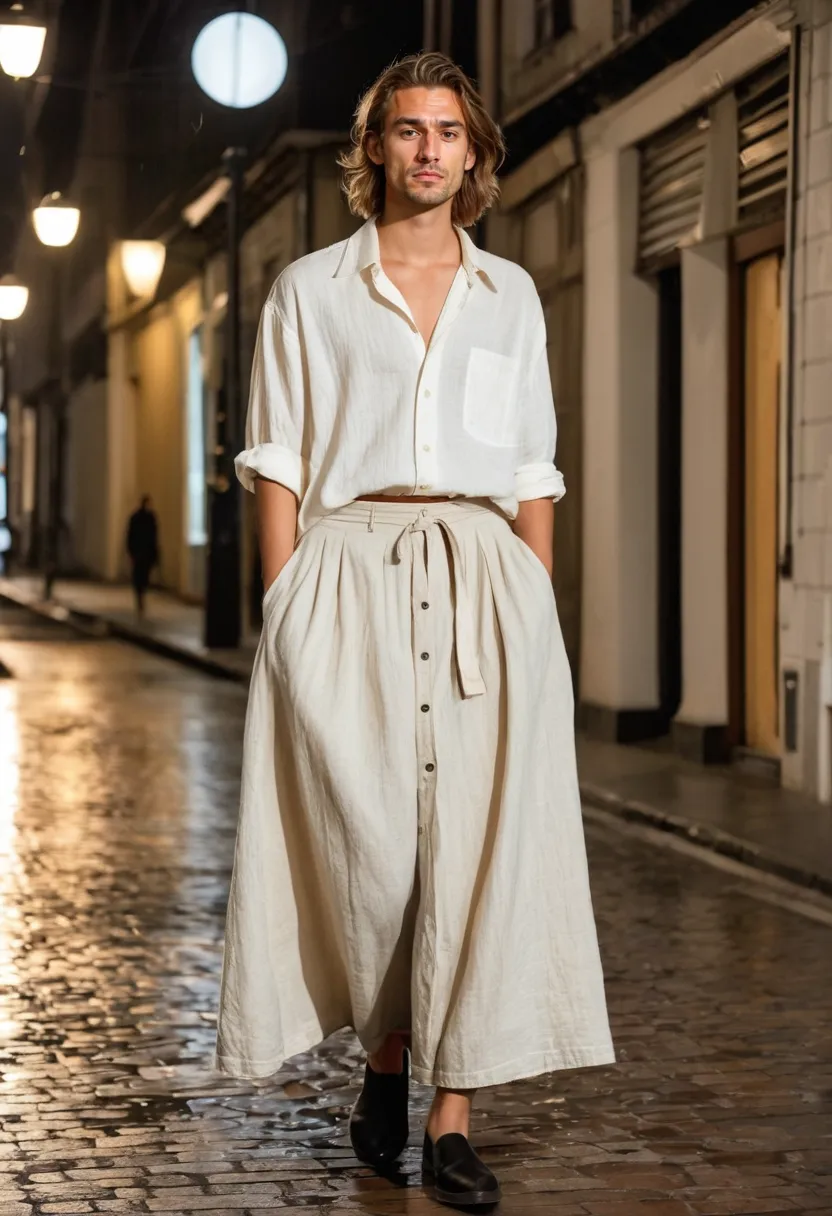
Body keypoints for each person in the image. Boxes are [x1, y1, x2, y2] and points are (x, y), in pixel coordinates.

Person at [214, 52, 614, 1209]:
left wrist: (535, 612)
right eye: (406, 129)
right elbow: (277, 462)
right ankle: (383, 1063)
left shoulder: (513, 299)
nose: (428, 149)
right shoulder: (308, 291)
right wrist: (285, 608)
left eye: (449, 132)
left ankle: (450, 1117)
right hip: (347, 576)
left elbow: (532, 469)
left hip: (486, 585)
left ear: (476, 157)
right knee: (378, 855)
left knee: (475, 857)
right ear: (375, 149)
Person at [125, 495, 158, 616]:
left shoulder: (150, 518)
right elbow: (131, 535)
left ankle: (141, 596)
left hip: (145, 553)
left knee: (143, 577)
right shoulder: (138, 518)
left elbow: (154, 537)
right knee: (139, 577)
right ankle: (139, 598)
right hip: (140, 552)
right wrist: (131, 550)